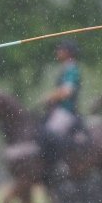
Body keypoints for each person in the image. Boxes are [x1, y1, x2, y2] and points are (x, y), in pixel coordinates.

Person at [39, 39, 82, 184]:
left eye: (60, 50)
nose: (57, 52)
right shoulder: (66, 68)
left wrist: (50, 96)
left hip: (66, 111)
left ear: (68, 53)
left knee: (49, 133)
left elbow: (67, 91)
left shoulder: (72, 69)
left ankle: (61, 165)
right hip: (59, 110)